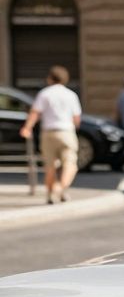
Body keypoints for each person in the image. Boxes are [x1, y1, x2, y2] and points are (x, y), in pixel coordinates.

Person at [19, 65, 82, 204]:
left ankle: (50, 194)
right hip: (66, 132)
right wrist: (74, 129)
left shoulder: (45, 93)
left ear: (50, 78)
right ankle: (60, 189)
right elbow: (76, 118)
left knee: (50, 166)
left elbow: (35, 113)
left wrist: (27, 128)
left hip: (48, 133)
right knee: (70, 164)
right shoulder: (71, 95)